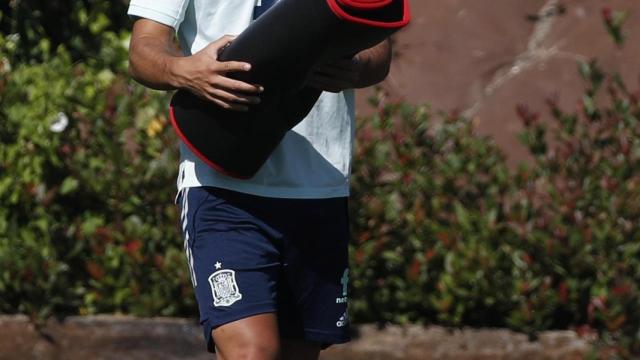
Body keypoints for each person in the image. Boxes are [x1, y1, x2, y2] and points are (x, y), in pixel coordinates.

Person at [127, 0, 392, 359]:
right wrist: (186, 70)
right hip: (220, 183)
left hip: (318, 187)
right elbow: (144, 47)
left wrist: (356, 68)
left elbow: (378, 43)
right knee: (252, 352)